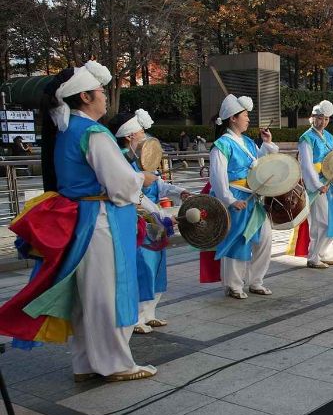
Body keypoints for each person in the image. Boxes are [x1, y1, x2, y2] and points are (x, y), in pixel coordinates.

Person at [0, 62, 157, 382]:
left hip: (83, 221)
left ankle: (86, 363)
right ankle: (114, 363)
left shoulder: (66, 130)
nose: (104, 97)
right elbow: (121, 184)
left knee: (89, 296)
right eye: (100, 92)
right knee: (106, 294)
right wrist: (145, 177)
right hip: (102, 222)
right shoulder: (93, 132)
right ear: (85, 97)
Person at [110, 109, 192, 334]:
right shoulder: (123, 162)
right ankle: (135, 318)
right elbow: (135, 194)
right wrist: (160, 214)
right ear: (128, 136)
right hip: (139, 221)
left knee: (156, 267)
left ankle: (148, 313)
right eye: (141, 132)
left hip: (154, 220)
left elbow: (158, 184)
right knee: (142, 268)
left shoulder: (143, 159)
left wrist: (180, 192)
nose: (144, 136)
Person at [208, 94, 278, 299]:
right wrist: (229, 200)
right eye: (245, 115)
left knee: (264, 238)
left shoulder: (248, 141)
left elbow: (259, 163)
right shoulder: (221, 145)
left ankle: (256, 281)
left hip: (252, 197)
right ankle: (233, 285)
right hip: (235, 197)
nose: (248, 119)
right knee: (238, 241)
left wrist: (267, 144)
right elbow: (218, 177)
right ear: (233, 118)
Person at [298, 101, 333, 269]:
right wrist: (316, 184)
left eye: (327, 119)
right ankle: (313, 256)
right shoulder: (306, 138)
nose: (323, 122)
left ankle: (322, 252)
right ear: (313, 118)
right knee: (320, 221)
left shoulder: (328, 136)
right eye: (320, 118)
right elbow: (306, 165)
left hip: (330, 182)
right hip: (318, 184)